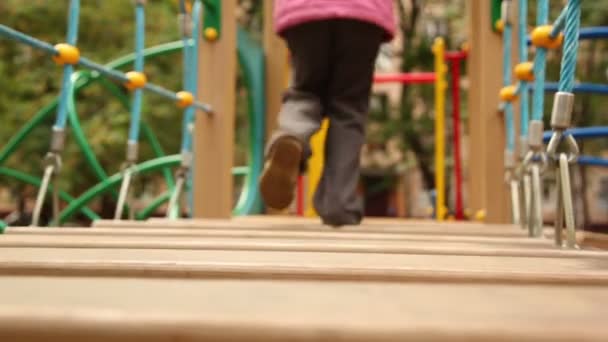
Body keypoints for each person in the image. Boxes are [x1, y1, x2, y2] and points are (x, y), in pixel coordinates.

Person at [259, 0, 396, 227]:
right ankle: (338, 203)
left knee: (305, 91)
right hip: (363, 13)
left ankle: (293, 133)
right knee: (349, 107)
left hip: (304, 9)